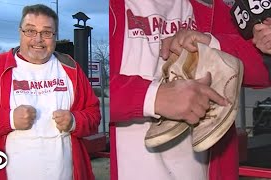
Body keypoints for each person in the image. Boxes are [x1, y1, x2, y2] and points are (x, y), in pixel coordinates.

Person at [109, 0, 270, 180]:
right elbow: (90, 102)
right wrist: (153, 97)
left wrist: (212, 45)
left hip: (207, 166)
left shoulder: (213, 6)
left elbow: (262, 71)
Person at [0, 4, 101, 180]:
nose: (38, 39)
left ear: (55, 36)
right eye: (30, 31)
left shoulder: (71, 69)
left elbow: (93, 116)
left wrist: (74, 121)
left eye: (46, 32)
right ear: (20, 32)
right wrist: (8, 119)